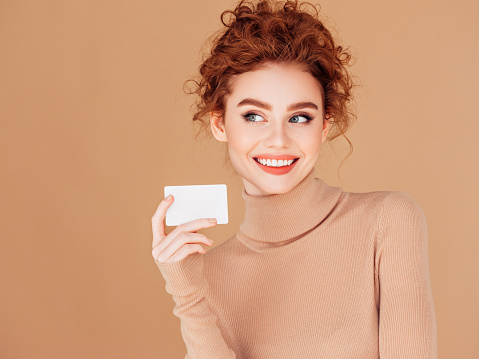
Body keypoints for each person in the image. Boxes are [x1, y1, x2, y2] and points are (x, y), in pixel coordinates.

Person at [151, 0, 438, 357]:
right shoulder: (203, 275)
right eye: (254, 116)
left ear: (325, 125)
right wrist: (189, 296)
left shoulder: (388, 220)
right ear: (219, 123)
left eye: (299, 117)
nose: (278, 139)